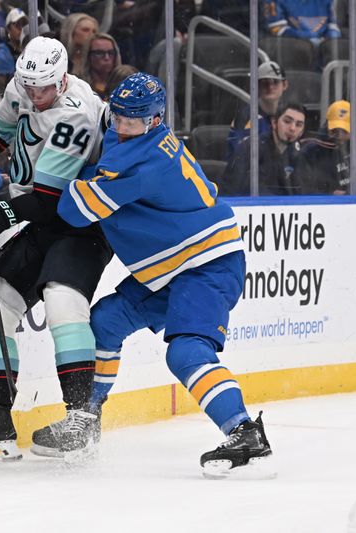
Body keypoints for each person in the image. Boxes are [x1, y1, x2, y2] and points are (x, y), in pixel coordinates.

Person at [52, 73, 272, 476]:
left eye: (130, 121)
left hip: (206, 264)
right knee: (105, 321)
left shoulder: (141, 162)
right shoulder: (138, 136)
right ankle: (86, 419)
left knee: (186, 351)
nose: (120, 126)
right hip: (174, 266)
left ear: (154, 120)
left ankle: (245, 434)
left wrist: (63, 178)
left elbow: (74, 211)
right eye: (117, 116)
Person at [0, 36, 111, 461]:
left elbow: (46, 198)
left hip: (80, 224)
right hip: (40, 221)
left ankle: (81, 419)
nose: (35, 97)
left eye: (44, 89)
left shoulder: (78, 114)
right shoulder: (22, 87)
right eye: (29, 86)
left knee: (62, 304)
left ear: (63, 79)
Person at [222, 102, 307, 196]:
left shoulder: (297, 154)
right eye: (287, 121)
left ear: (302, 132)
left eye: (298, 125)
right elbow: (231, 190)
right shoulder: (252, 149)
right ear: (274, 122)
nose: (292, 128)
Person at [226, 61, 289, 160]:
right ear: (256, 85)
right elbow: (240, 155)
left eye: (275, 82)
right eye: (265, 82)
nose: (270, 87)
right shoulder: (244, 117)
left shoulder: (291, 116)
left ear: (285, 85)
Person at [263, 0, 341, 45]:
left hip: (322, 50)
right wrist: (307, 38)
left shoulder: (326, 1)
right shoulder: (277, 1)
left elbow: (332, 25)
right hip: (292, 51)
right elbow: (276, 28)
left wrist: (330, 39)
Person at [76, 33, 122, 98]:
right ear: (88, 56)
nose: (107, 57)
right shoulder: (78, 85)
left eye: (111, 53)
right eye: (99, 53)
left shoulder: (123, 85)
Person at [0, 8, 28, 85]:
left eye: (24, 25)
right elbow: (5, 85)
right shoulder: (2, 53)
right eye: (17, 25)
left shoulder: (29, 48)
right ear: (8, 29)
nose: (21, 29)